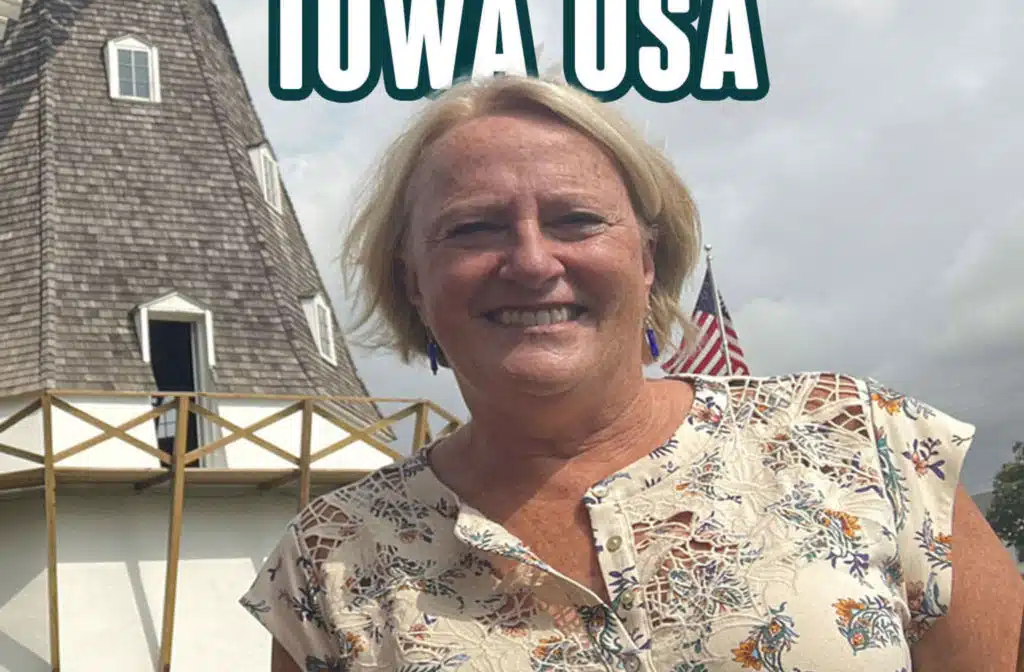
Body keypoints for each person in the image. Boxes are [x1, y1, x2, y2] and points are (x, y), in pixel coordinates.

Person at [241, 74, 1023, 672]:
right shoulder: (330, 563)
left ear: (646, 258)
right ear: (413, 281)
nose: (532, 262)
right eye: (472, 228)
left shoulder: (859, 443)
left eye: (576, 219)